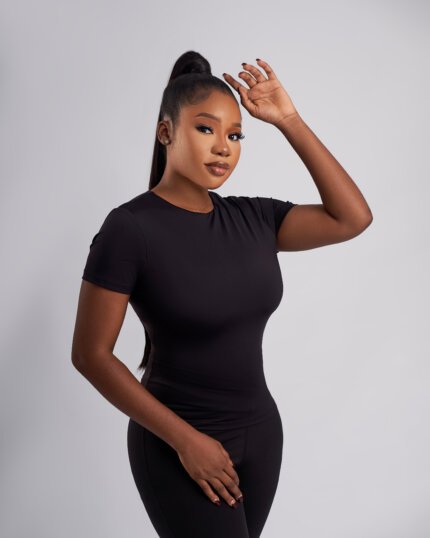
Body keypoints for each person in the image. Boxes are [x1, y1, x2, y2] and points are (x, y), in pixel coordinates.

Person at [71, 50, 372, 537]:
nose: (223, 148)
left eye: (235, 135)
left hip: (262, 435)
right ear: (166, 132)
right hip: (177, 445)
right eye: (205, 129)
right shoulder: (129, 229)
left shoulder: (254, 218)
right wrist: (187, 442)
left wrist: (289, 120)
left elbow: (352, 217)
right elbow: (90, 356)